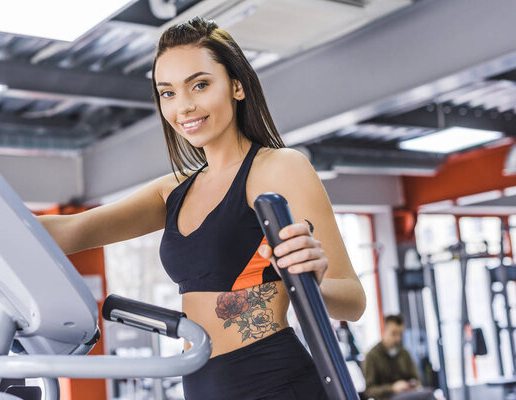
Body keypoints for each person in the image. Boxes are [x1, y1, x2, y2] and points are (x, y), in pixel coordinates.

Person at [37, 17, 366, 400]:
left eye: (200, 84)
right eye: (168, 93)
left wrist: (311, 281)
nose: (184, 106)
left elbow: (353, 302)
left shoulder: (279, 167)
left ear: (237, 86)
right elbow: (73, 232)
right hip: (200, 383)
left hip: (274, 381)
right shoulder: (172, 191)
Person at [363, 315, 436, 400]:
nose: (398, 338)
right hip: (387, 397)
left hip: (408, 394)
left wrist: (412, 384)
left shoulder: (404, 353)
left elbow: (416, 378)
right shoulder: (372, 356)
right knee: (428, 395)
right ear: (384, 331)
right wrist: (392, 388)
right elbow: (369, 391)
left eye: (400, 334)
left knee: (429, 393)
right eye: (394, 334)